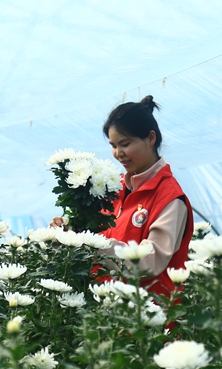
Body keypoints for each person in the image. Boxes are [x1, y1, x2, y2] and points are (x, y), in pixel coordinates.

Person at [51, 95, 193, 297]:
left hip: (147, 311)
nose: (118, 153)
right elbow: (95, 230)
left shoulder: (170, 198)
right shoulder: (112, 187)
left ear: (151, 138)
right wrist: (69, 231)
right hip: (104, 306)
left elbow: (149, 261)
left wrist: (94, 245)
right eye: (113, 146)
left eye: (125, 144)